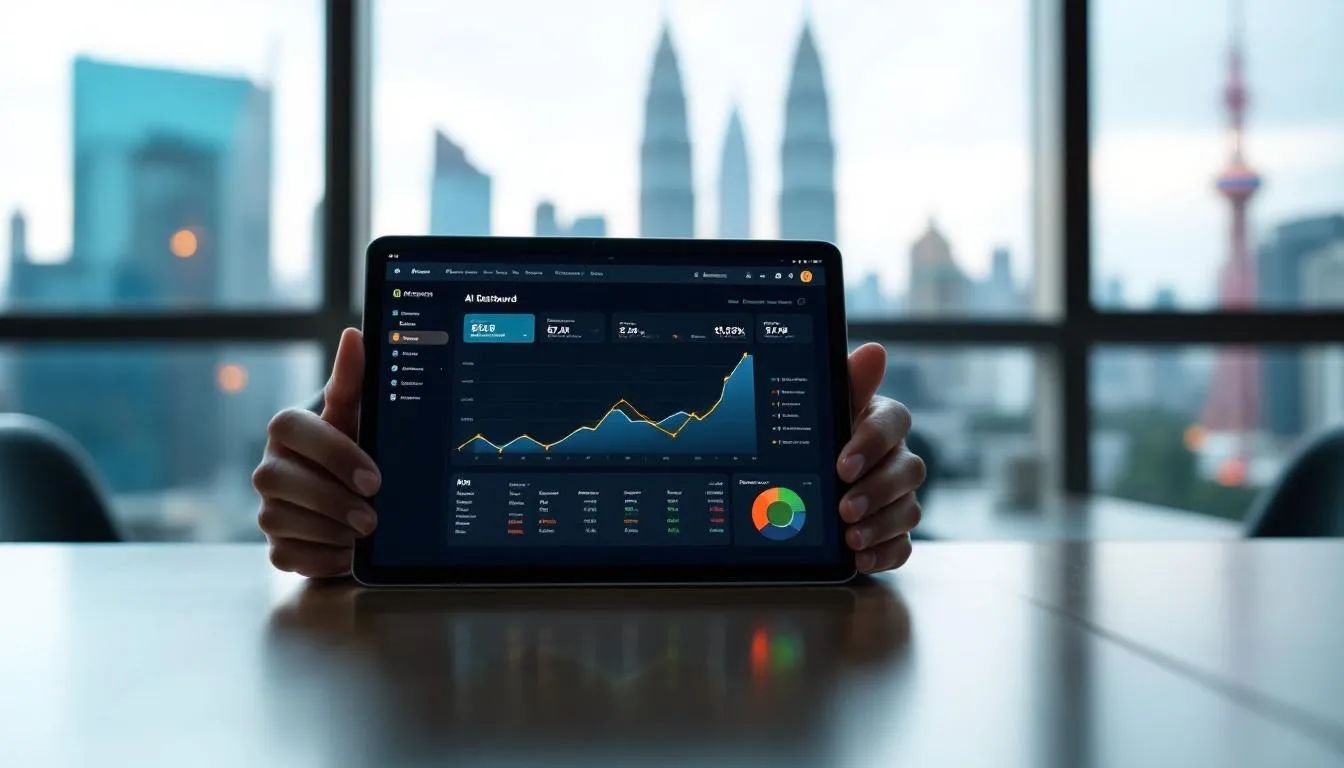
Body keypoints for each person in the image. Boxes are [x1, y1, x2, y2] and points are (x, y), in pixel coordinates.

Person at [253, 328, 926, 578]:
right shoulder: (386, 396)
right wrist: (323, 487)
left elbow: (888, 476)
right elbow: (326, 462)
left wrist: (864, 482)